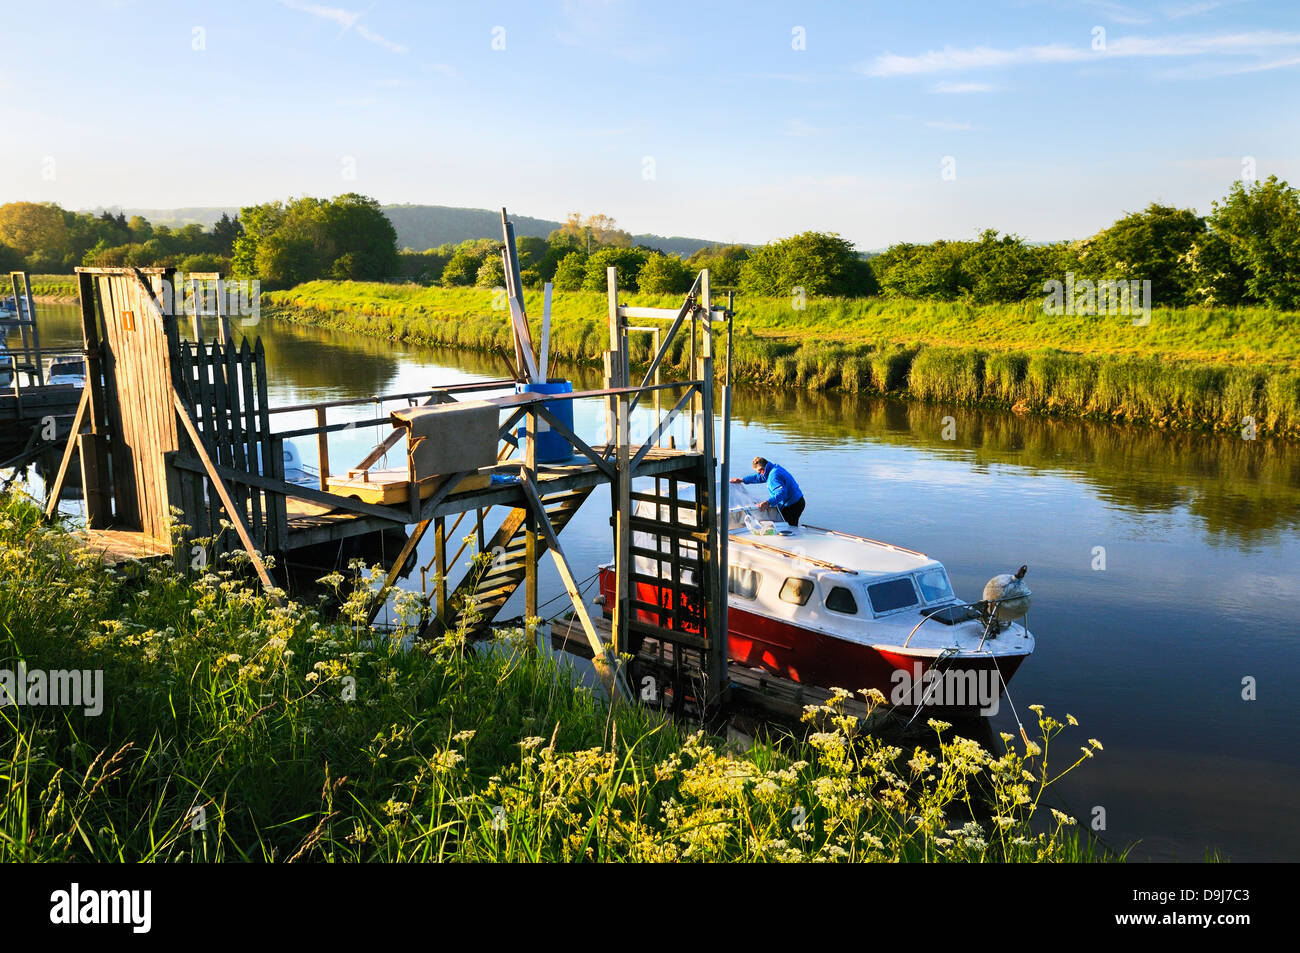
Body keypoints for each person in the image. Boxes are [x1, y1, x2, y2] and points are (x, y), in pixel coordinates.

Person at [731, 456, 806, 526]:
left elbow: (781, 493)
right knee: (790, 526)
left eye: (759, 472)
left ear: (762, 469)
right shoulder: (774, 468)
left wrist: (768, 503)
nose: (759, 474)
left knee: (786, 528)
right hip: (799, 501)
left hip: (792, 505)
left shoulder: (773, 476)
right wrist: (742, 480)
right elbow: (759, 477)